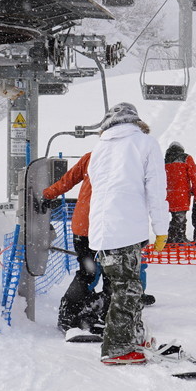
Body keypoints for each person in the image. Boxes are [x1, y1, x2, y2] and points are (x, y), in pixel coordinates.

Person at [88, 103, 168, 365]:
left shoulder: (100, 147)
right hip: (126, 227)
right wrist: (161, 229)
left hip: (102, 230)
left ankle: (133, 336)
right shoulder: (145, 144)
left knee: (120, 285)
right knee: (128, 287)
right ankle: (118, 347)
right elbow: (156, 190)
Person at [42, 152, 110, 334]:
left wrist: (47, 195)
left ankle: (68, 314)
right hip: (108, 228)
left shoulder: (92, 156)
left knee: (87, 273)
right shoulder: (127, 157)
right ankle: (106, 316)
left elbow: (68, 180)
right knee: (114, 275)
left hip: (83, 226)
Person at [163, 142, 196, 244]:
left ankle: (172, 239)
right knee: (180, 218)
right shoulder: (186, 158)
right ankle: (178, 238)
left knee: (176, 216)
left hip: (169, 195)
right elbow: (195, 178)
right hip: (182, 194)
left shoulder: (165, 161)